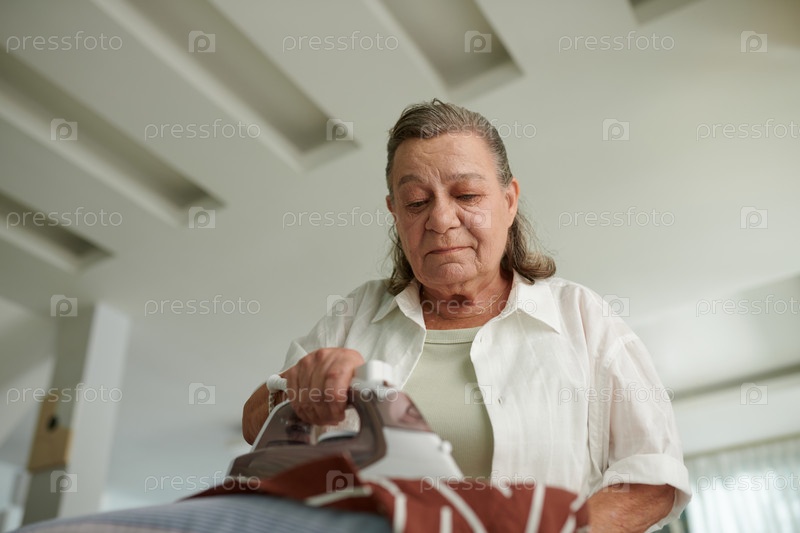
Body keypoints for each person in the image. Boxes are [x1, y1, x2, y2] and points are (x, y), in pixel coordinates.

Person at [243, 100, 691, 532]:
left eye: (467, 195)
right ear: (395, 213)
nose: (441, 219)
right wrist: (303, 382)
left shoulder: (582, 318)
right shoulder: (353, 316)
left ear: (509, 201)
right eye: (416, 201)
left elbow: (653, 476)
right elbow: (252, 423)